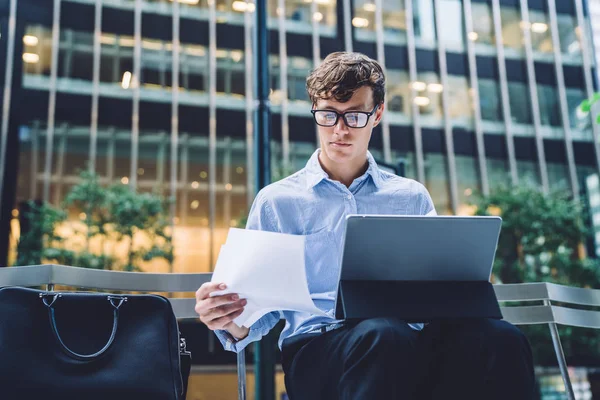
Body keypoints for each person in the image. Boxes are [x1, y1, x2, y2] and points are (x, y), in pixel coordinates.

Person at [195, 51, 535, 399]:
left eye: (355, 116)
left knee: (500, 337)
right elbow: (258, 313)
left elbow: (439, 292)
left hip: (409, 346)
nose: (339, 130)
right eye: (328, 115)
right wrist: (227, 320)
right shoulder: (278, 202)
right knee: (384, 335)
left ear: (378, 114)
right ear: (315, 110)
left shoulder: (410, 197)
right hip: (319, 350)